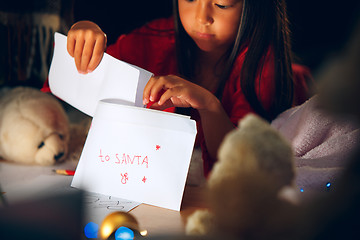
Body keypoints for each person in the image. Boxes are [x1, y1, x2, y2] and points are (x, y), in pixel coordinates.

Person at [43, 0, 312, 177]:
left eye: (222, 4)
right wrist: (84, 35)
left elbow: (238, 160)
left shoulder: (264, 64)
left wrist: (208, 105)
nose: (202, 16)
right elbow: (81, 75)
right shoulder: (157, 39)